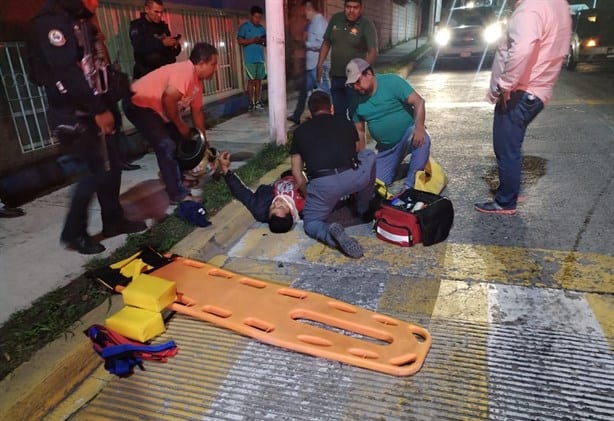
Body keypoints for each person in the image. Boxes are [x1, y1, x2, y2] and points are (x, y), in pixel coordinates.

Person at [30, 0, 146, 254]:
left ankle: (114, 221)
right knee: (91, 174)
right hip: (73, 113)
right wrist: (99, 110)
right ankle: (74, 233)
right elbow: (67, 74)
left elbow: (93, 63)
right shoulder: (52, 22)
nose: (96, 2)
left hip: (96, 104)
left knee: (112, 167)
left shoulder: (79, 19)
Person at [475, 0, 572, 215]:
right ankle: (512, 190)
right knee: (512, 145)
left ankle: (506, 201)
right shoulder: (557, 5)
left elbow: (521, 48)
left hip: (522, 90)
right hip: (539, 88)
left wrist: (504, 85)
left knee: (505, 147)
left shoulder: (529, 9)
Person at [122, 42, 218, 205]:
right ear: (201, 63)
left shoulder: (197, 83)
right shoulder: (185, 71)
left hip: (157, 110)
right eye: (213, 64)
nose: (215, 69)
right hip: (138, 104)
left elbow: (197, 113)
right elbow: (168, 99)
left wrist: (203, 143)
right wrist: (180, 125)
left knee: (183, 140)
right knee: (166, 145)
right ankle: (178, 194)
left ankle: (179, 178)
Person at [290, 91, 376, 258]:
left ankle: (330, 234)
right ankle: (363, 207)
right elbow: (359, 151)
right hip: (353, 177)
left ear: (310, 112)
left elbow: (296, 172)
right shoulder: (345, 122)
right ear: (331, 108)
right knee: (369, 156)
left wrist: (310, 194)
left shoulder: (300, 132)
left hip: (324, 185)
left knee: (312, 222)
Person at [348, 58, 431, 195]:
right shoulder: (355, 102)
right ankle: (404, 168)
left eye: (357, 82)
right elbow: (360, 131)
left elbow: (419, 102)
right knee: (375, 185)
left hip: (408, 135)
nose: (356, 87)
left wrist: (420, 127)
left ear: (369, 74)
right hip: (386, 149)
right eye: (352, 85)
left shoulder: (392, 82)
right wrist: (361, 158)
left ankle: (410, 187)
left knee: (423, 140)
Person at [316, 0, 377, 118]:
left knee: (356, 115)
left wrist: (363, 72)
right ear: (344, 7)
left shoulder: (366, 25)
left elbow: (373, 52)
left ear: (361, 8)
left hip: (355, 81)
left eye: (355, 7)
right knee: (338, 114)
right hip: (336, 77)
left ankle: (357, 136)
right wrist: (319, 64)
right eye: (348, 7)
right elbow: (326, 42)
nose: (351, 11)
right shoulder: (336, 19)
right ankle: (342, 135)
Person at [218, 152, 305, 233]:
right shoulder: (305, 206)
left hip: (288, 175)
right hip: (305, 173)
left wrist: (225, 169)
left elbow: (241, 192)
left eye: (272, 207)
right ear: (292, 212)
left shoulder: (260, 208)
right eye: (281, 206)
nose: (277, 202)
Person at [287, 0, 330, 126]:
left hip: (318, 65)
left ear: (309, 8)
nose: (304, 15)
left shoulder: (320, 22)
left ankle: (329, 117)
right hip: (311, 65)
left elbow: (323, 44)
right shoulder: (313, 23)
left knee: (324, 92)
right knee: (303, 91)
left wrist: (306, 44)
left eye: (304, 11)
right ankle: (296, 115)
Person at [129, 0, 181, 79]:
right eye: (156, 12)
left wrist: (174, 45)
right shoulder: (138, 26)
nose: (159, 15)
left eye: (161, 12)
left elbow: (172, 52)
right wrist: (162, 43)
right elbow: (139, 46)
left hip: (165, 72)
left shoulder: (163, 26)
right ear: (147, 9)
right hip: (146, 74)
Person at [237, 6, 267, 111]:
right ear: (251, 16)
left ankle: (258, 101)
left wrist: (261, 41)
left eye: (259, 17)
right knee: (251, 81)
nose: (257, 19)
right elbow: (240, 41)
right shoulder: (245, 27)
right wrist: (252, 40)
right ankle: (251, 102)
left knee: (259, 81)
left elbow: (266, 42)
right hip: (250, 59)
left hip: (260, 59)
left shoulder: (261, 28)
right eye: (256, 17)